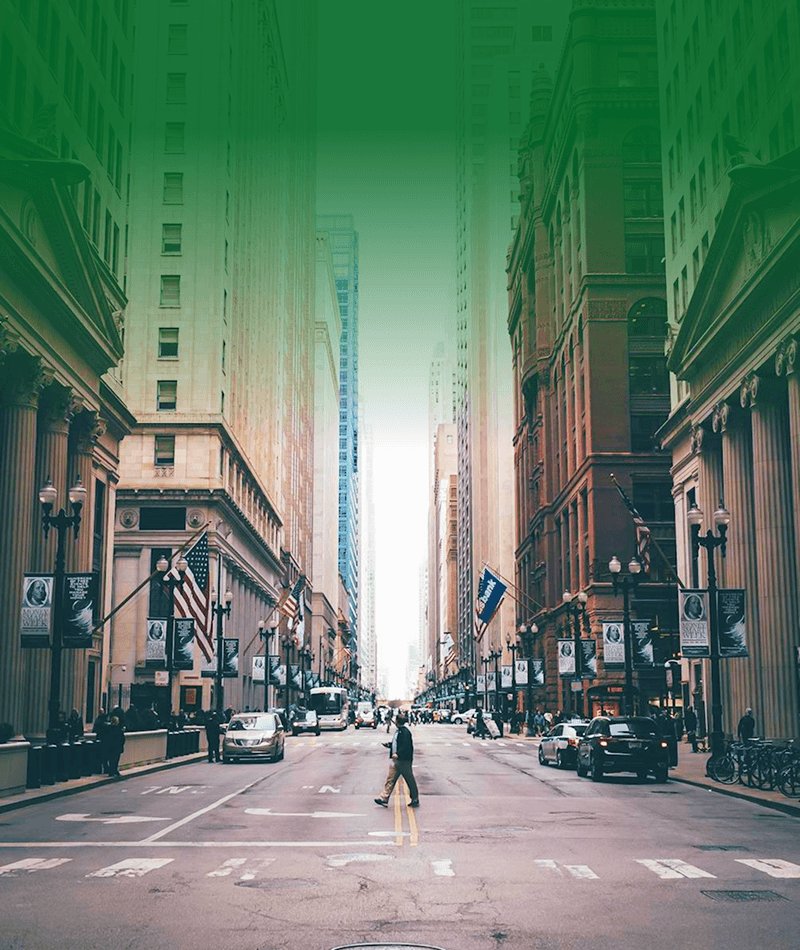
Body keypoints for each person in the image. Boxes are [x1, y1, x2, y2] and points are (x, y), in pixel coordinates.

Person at [374, 712, 419, 808]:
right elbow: (397, 743)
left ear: (398, 722)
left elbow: (405, 746)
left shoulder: (405, 732)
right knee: (390, 779)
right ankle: (384, 798)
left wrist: (397, 753)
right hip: (397, 761)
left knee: (409, 780)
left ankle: (415, 798)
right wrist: (389, 745)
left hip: (404, 761)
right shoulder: (399, 731)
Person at [104, 711, 125, 777]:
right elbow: (122, 739)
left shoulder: (108, 729)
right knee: (115, 760)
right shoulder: (119, 730)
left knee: (111, 759)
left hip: (109, 747)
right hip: (117, 747)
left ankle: (111, 771)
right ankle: (114, 771)